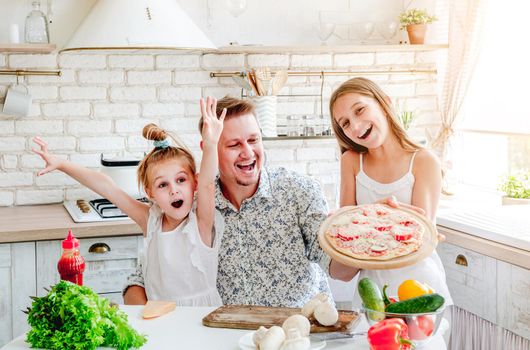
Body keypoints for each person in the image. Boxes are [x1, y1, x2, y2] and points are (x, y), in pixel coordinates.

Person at [124, 96, 359, 307]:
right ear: (210, 148)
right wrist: (146, 317)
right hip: (226, 338)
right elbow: (145, 276)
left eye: (253, 140)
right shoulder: (190, 205)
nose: (248, 152)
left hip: (297, 335)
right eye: (234, 145)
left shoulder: (298, 191)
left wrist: (357, 239)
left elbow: (341, 270)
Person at [33, 97, 227, 306]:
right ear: (149, 193)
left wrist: (211, 144)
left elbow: (208, 183)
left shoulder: (201, 223)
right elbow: (107, 186)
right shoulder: (150, 220)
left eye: (181, 180)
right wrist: (62, 164)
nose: (174, 190)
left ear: (194, 183)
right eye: (163, 185)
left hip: (200, 318)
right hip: (159, 319)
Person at [329, 77, 452, 307]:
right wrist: (372, 217)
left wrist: (369, 219)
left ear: (385, 104)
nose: (355, 126)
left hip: (420, 291)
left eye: (360, 110)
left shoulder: (424, 161)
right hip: (371, 295)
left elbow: (420, 243)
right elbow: (343, 263)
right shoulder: (351, 162)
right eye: (345, 123)